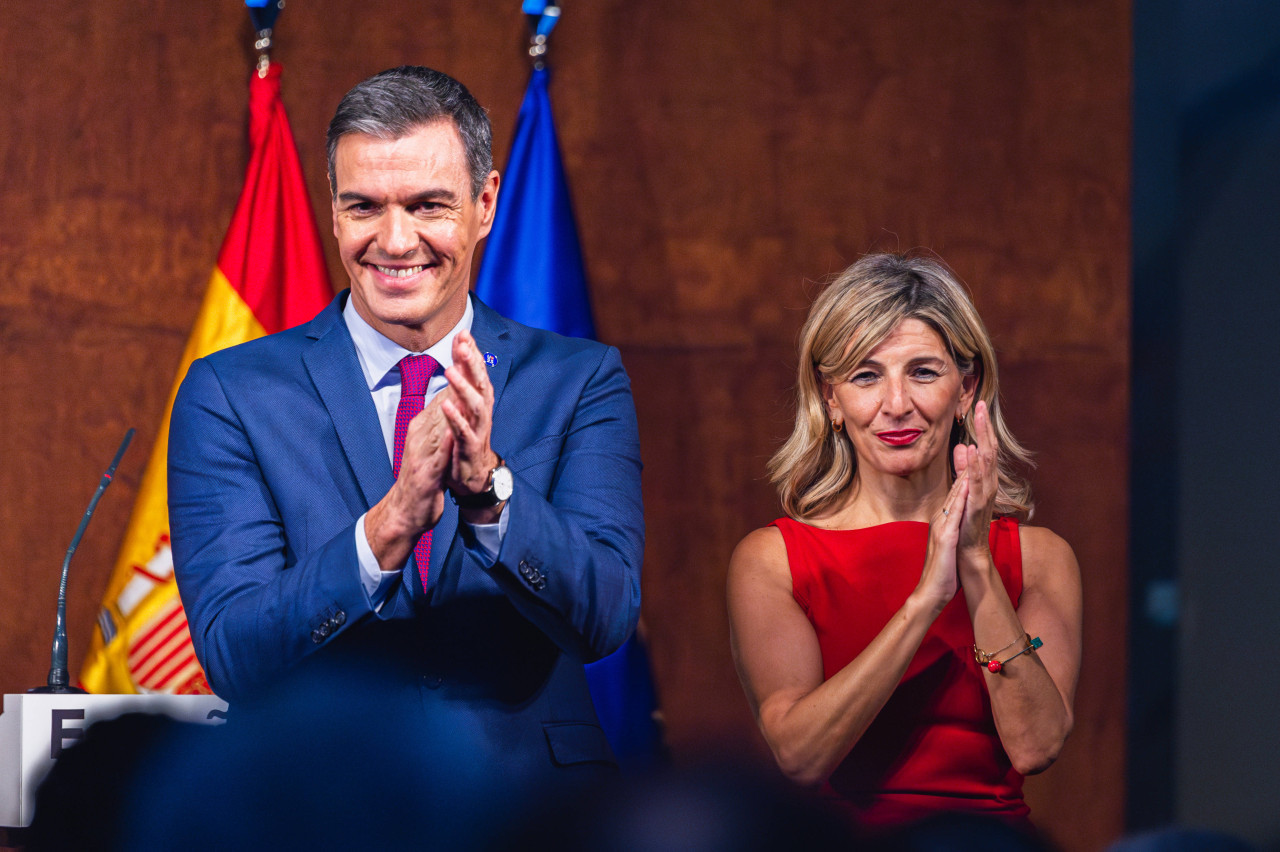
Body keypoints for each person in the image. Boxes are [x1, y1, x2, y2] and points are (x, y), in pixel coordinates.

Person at [168, 66, 644, 824]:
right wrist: (385, 529)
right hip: (318, 809)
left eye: (428, 206)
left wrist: (489, 493)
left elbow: (605, 615)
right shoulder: (231, 393)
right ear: (334, 212)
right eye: (364, 206)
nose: (394, 241)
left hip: (532, 811)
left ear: (486, 204)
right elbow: (235, 653)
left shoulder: (580, 380)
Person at [727, 253, 1081, 834]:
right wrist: (925, 600)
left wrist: (974, 563)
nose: (896, 405)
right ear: (831, 399)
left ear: (966, 388)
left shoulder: (1042, 557)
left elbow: (1036, 746)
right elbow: (799, 758)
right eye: (866, 376)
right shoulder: (774, 559)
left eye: (922, 372)